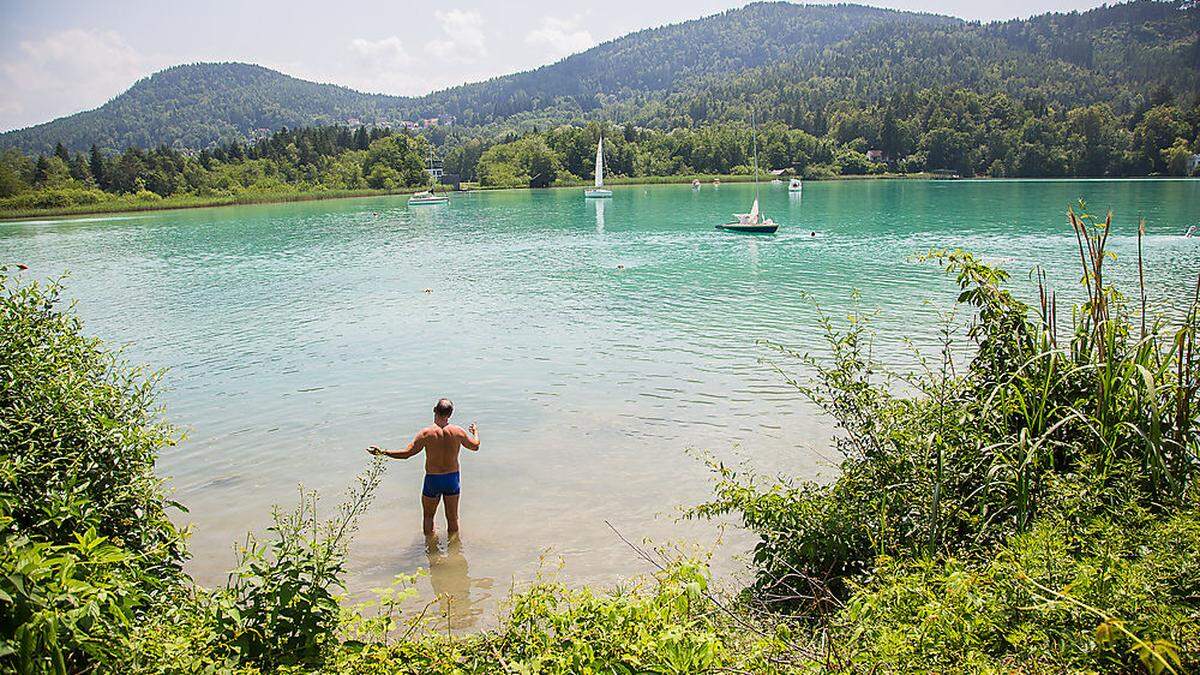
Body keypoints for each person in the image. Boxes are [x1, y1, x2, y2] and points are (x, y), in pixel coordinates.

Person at [367, 398, 480, 536]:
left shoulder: (426, 433)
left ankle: (430, 550)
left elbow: (407, 454)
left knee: (428, 517)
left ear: (434, 410)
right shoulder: (458, 432)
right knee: (452, 518)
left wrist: (383, 452)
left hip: (432, 480)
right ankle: (454, 552)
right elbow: (475, 446)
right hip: (452, 479)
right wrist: (475, 431)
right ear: (450, 414)